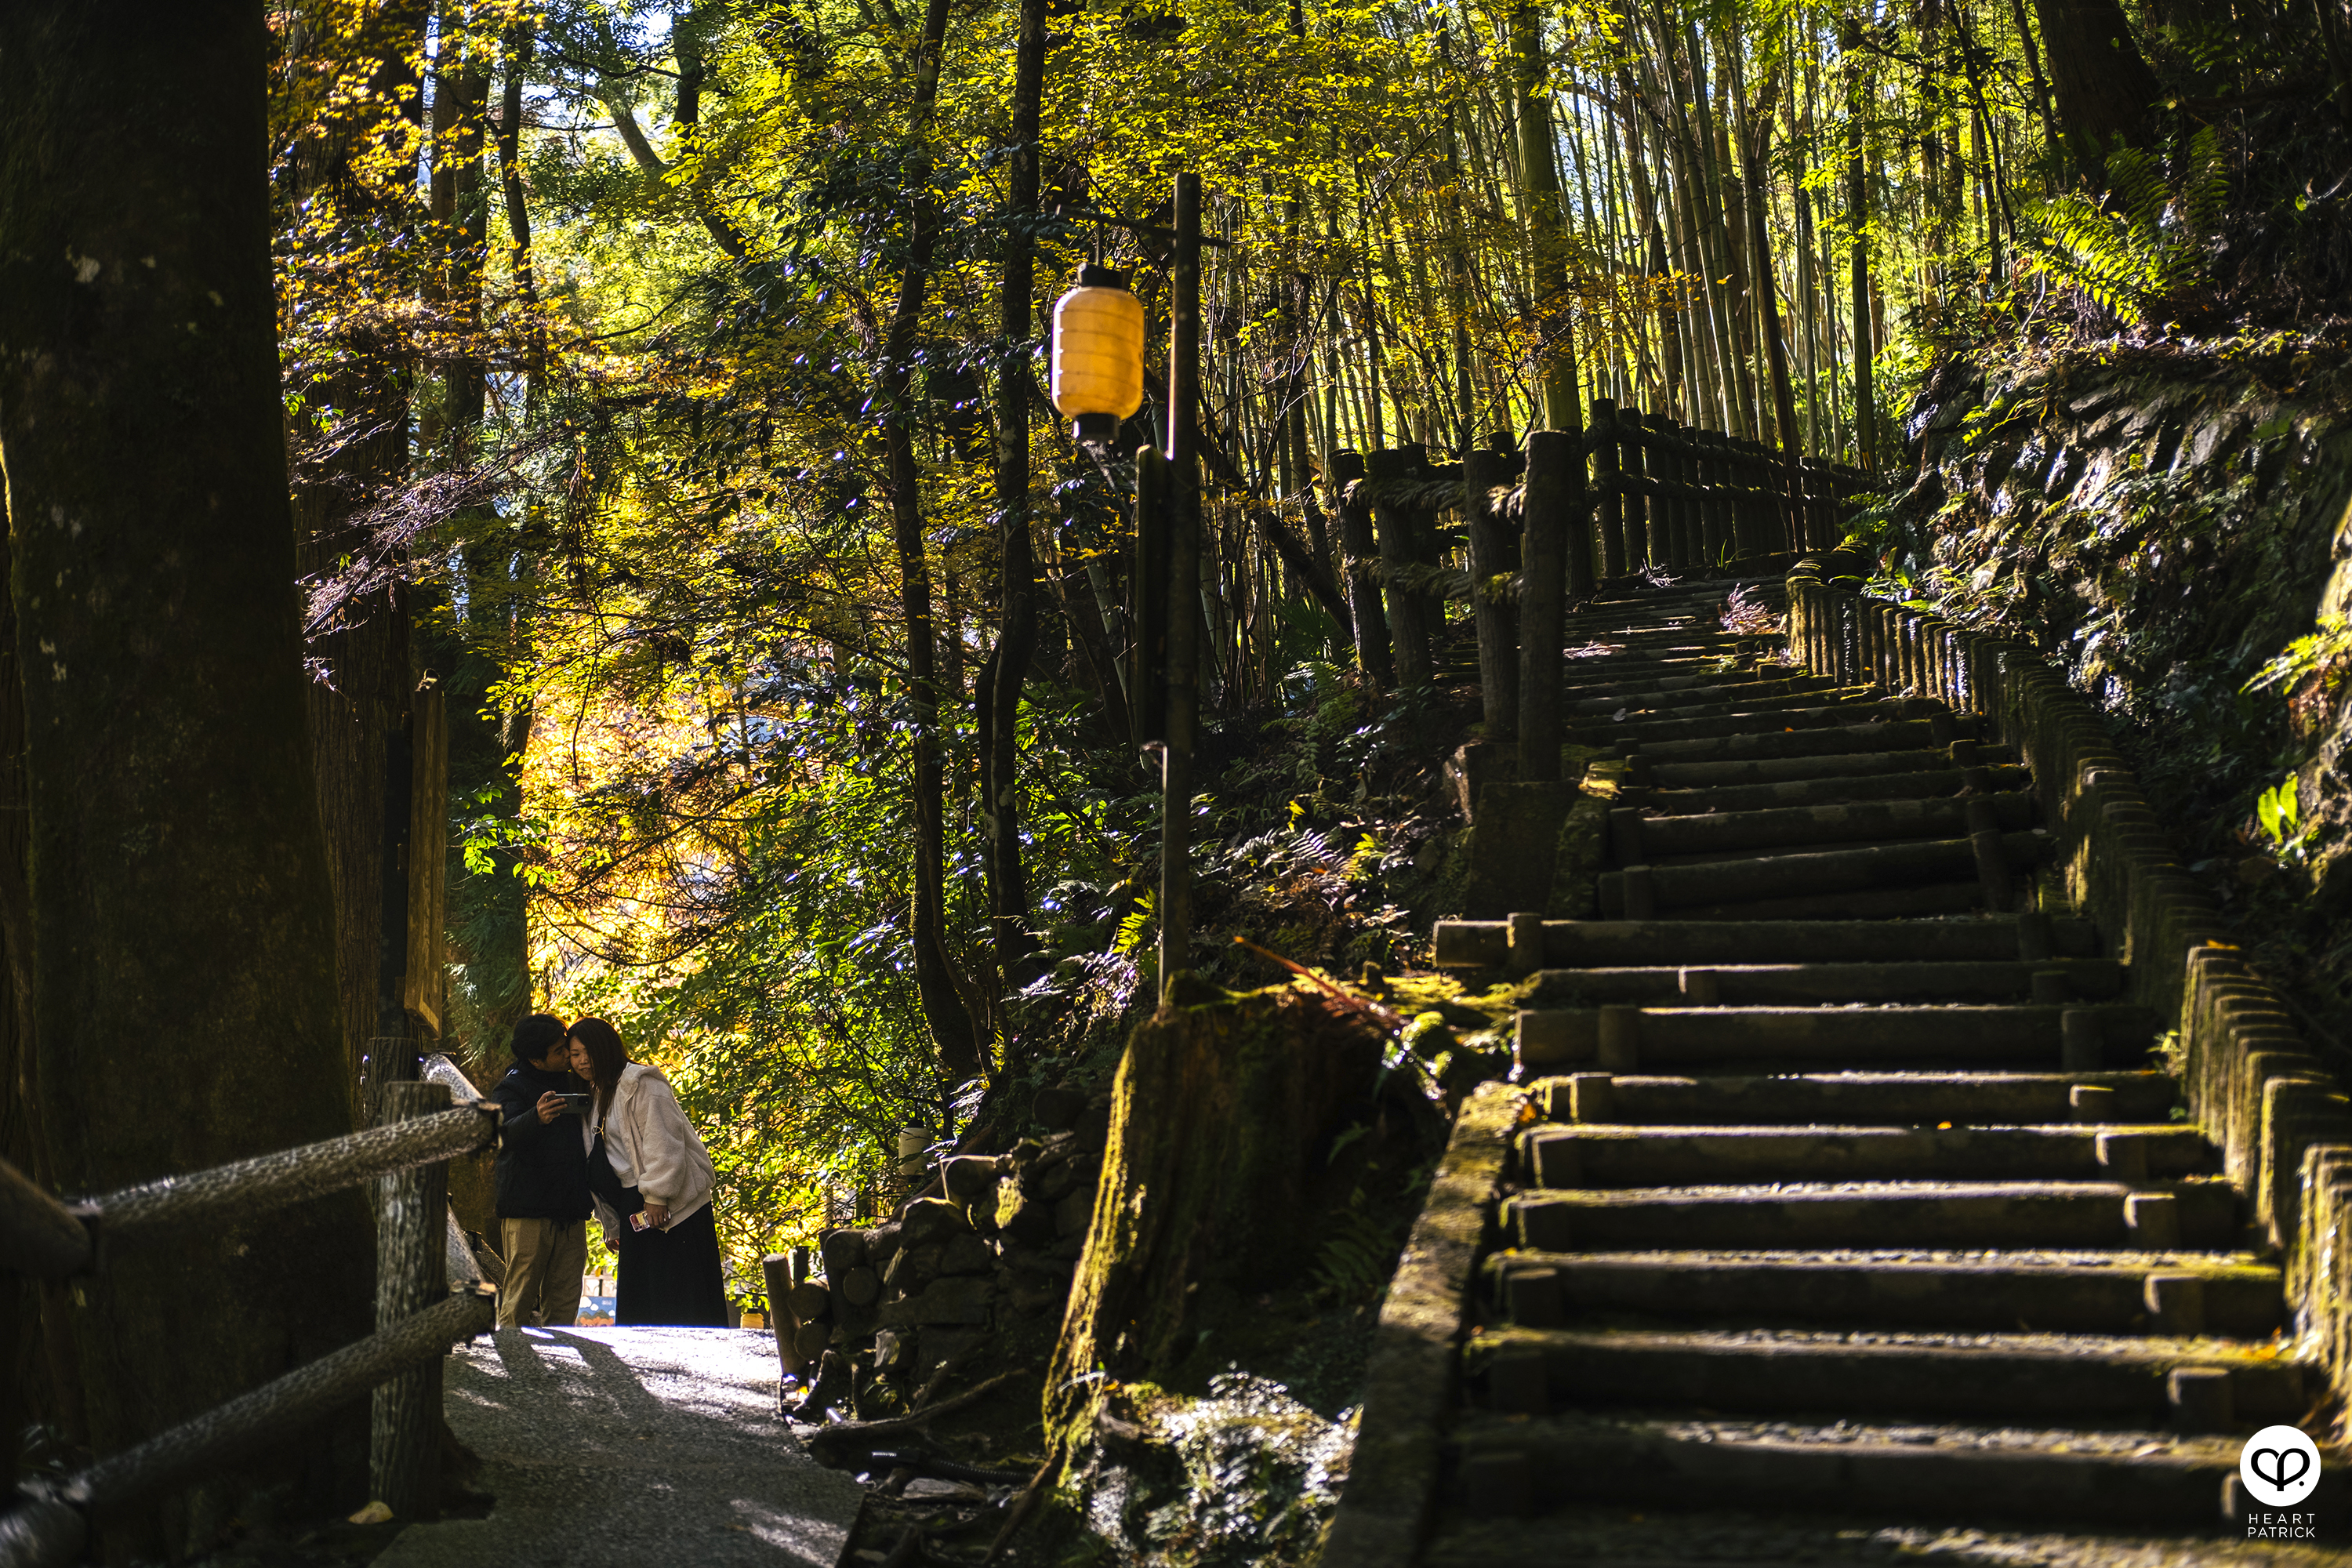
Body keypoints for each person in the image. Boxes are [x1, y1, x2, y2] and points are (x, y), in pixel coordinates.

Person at [568, 1017, 728, 1327]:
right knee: (642, 1298)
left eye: (588, 1052)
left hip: (673, 1206)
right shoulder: (595, 1093)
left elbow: (663, 1142)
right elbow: (605, 1161)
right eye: (575, 1054)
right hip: (633, 1203)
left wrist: (657, 1196)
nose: (582, 1061)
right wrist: (613, 1224)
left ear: (607, 1048)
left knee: (681, 1297)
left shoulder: (642, 1084)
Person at [491, 1013, 592, 1329]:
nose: (567, 1056)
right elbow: (501, 1135)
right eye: (559, 1052)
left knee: (564, 1303)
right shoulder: (510, 1088)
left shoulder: (576, 1080)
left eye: (566, 1047)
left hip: (571, 1212)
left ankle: (558, 1358)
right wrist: (535, 1117)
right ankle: (509, 1357)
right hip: (528, 1213)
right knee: (518, 1301)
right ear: (536, 1060)